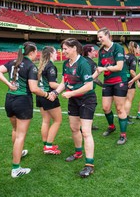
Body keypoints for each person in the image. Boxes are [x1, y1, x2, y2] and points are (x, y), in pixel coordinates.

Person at [0, 42, 54, 178]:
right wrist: (46, 94)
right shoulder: (30, 66)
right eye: (36, 51)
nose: (37, 54)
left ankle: (18, 153)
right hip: (22, 101)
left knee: (15, 130)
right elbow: (34, 89)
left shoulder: (13, 62)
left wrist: (8, 84)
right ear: (31, 52)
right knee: (21, 135)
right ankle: (16, 168)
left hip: (9, 99)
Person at [53, 38, 97, 178]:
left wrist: (71, 93)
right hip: (74, 100)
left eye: (66, 48)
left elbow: (89, 86)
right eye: (63, 49)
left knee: (86, 131)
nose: (63, 51)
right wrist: (55, 92)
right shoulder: (66, 64)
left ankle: (89, 165)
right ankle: (78, 152)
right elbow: (64, 82)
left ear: (74, 49)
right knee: (73, 127)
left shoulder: (83, 63)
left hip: (86, 99)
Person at [93, 28, 129, 145]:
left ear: (108, 35)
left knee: (119, 108)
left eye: (101, 37)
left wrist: (105, 68)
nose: (99, 39)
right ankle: (112, 126)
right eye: (98, 37)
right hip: (108, 82)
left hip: (119, 81)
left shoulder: (118, 47)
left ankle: (123, 135)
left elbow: (119, 67)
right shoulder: (101, 51)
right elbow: (99, 69)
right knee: (105, 107)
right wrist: (89, 78)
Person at [37, 46, 62, 155]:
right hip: (49, 96)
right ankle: (48, 146)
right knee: (57, 120)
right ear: (51, 53)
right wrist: (65, 85)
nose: (57, 54)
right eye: (56, 52)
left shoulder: (42, 66)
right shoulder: (51, 67)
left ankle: (46, 144)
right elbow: (52, 84)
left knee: (46, 120)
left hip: (40, 95)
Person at [82, 44, 103, 130]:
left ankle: (83, 125)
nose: (95, 52)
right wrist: (104, 86)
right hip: (88, 90)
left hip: (79, 88)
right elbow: (94, 78)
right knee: (90, 107)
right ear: (89, 52)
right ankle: (87, 125)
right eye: (93, 51)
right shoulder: (92, 63)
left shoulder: (81, 61)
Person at [124, 41, 140, 124]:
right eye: (138, 48)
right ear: (135, 48)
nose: (139, 50)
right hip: (129, 80)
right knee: (129, 100)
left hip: (122, 79)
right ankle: (125, 118)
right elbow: (132, 71)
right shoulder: (133, 57)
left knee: (125, 99)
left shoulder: (125, 56)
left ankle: (125, 115)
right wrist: (137, 81)